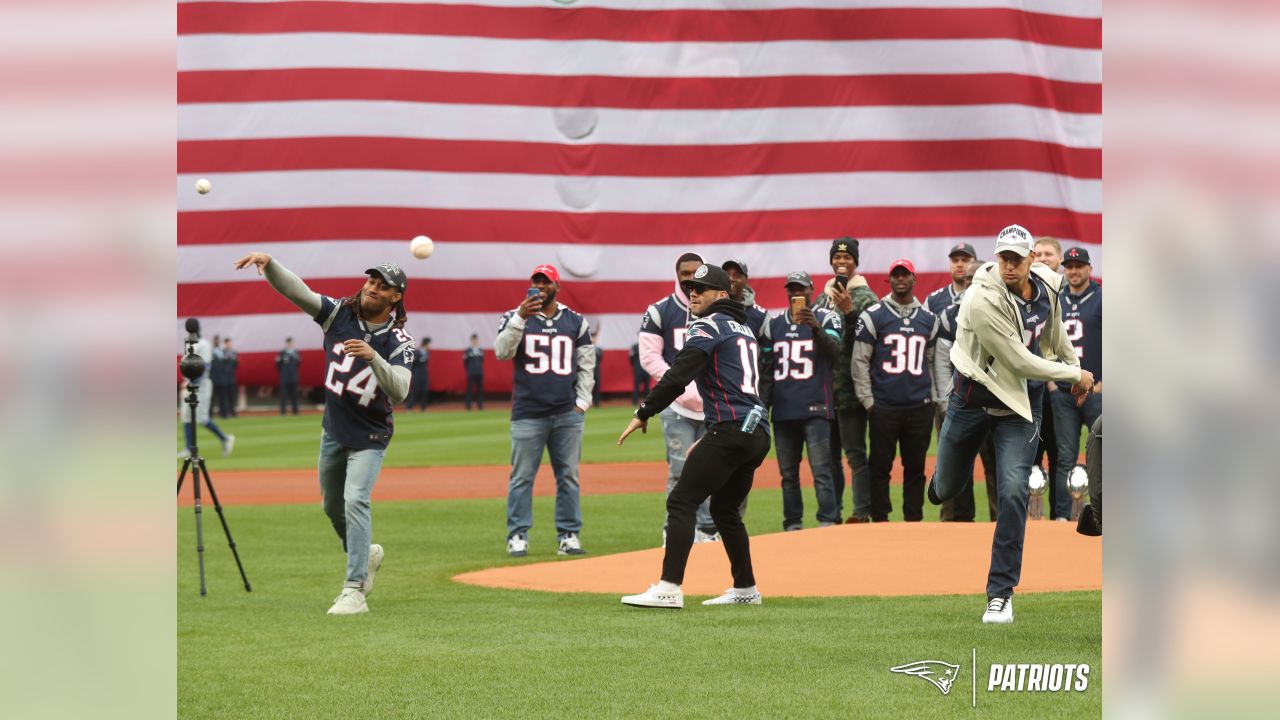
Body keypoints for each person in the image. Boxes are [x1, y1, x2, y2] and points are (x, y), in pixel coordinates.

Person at [928, 225, 1094, 624]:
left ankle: (999, 593)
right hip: (973, 398)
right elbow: (1019, 361)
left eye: (1016, 258)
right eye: (1002, 256)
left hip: (1019, 406)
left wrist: (1072, 365)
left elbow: (1054, 336)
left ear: (1031, 259)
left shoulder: (1049, 285)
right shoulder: (981, 299)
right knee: (946, 488)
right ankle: (942, 481)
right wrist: (1075, 376)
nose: (1008, 264)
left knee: (1014, 491)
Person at [234, 252, 415, 616]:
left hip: (371, 435)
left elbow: (400, 390)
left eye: (383, 287)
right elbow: (298, 291)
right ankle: (367, 555)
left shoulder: (399, 340)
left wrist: (372, 357)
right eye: (371, 282)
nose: (373, 289)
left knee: (355, 500)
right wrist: (269, 264)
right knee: (331, 506)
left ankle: (354, 591)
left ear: (396, 297)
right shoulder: (340, 313)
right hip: (333, 429)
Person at [618, 264, 770, 608]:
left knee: (681, 501)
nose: (693, 294)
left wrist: (644, 411)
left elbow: (678, 375)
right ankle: (746, 589)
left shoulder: (708, 324)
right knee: (726, 510)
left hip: (731, 428)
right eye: (689, 288)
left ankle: (669, 588)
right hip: (757, 431)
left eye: (701, 289)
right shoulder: (744, 328)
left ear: (722, 294)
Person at [494, 264, 595, 557]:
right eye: (535, 281)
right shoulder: (514, 316)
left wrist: (582, 402)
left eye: (545, 281)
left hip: (566, 412)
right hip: (528, 411)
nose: (540, 286)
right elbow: (502, 352)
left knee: (568, 475)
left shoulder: (575, 321)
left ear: (557, 286)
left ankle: (568, 534)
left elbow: (586, 365)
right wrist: (520, 318)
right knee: (522, 476)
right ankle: (517, 535)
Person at [638, 252, 720, 545]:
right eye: (684, 274)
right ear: (677, 274)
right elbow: (649, 357)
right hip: (677, 406)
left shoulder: (716, 309)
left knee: (711, 470)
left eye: (695, 274)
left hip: (713, 405)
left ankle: (708, 529)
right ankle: (674, 528)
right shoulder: (660, 310)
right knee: (679, 470)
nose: (689, 280)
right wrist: (680, 386)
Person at [852, 259, 941, 522]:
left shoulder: (928, 319)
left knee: (915, 468)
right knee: (879, 467)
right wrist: (868, 401)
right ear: (889, 280)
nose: (900, 279)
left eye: (905, 275)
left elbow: (934, 362)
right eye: (896, 275)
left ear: (914, 279)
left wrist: (935, 398)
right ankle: (880, 519)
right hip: (884, 406)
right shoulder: (874, 315)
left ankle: (913, 519)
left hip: (919, 405)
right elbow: (860, 360)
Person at [758, 271, 842, 530]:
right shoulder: (773, 324)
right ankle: (792, 524)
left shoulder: (827, 317)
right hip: (783, 411)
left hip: (816, 407)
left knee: (822, 471)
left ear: (811, 290)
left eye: (802, 288)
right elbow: (767, 371)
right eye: (792, 289)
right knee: (788, 476)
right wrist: (764, 406)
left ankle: (827, 520)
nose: (797, 294)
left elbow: (836, 353)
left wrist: (815, 327)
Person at [811, 237, 879, 523]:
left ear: (855, 261)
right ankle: (834, 513)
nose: (842, 262)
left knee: (855, 455)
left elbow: (871, 343)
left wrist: (850, 311)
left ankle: (861, 511)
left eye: (847, 258)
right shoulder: (821, 298)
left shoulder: (867, 298)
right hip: (826, 391)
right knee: (830, 458)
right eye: (837, 258)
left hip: (851, 389)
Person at [932, 260, 999, 521]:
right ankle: (955, 525)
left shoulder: (1004, 311)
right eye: (968, 279)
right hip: (960, 402)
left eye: (978, 278)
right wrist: (944, 402)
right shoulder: (950, 314)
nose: (971, 283)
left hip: (995, 402)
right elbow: (940, 360)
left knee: (996, 468)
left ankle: (1001, 520)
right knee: (955, 467)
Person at [1050, 247, 1102, 519]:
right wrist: (1050, 381)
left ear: (1090, 269)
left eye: (1078, 265)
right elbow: (1044, 341)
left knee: (1105, 453)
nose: (1073, 270)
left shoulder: (1103, 298)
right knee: (1065, 457)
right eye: (1068, 266)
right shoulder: (1055, 298)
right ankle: (1062, 515)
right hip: (1062, 392)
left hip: (1097, 391)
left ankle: (1105, 513)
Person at [1032, 236, 1064, 514]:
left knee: (1061, 456)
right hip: (1033, 387)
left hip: (1064, 391)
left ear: (1059, 259)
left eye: (1048, 254)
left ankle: (1060, 516)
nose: (1042, 259)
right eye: (1038, 254)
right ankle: (1032, 516)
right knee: (1029, 456)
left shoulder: (1069, 291)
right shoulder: (1026, 293)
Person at [178, 318, 235, 459]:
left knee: (202, 418)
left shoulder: (204, 344)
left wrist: (191, 382)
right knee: (186, 416)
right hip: (190, 385)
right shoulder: (190, 344)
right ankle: (188, 448)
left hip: (201, 386)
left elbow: (204, 367)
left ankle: (225, 439)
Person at [721, 259, 768, 338]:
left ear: (746, 280)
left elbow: (766, 348)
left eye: (737, 275)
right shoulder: (710, 309)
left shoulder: (760, 315)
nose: (731, 279)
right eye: (727, 275)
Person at [276, 337, 301, 415]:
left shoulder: (296, 353)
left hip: (293, 377)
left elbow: (298, 364)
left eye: (291, 343)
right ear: (286, 343)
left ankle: (295, 411)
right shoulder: (282, 353)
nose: (290, 344)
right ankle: (283, 411)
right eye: (289, 343)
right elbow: (278, 364)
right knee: (284, 394)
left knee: (294, 395)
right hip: (285, 377)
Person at [405, 338, 431, 411]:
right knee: (414, 390)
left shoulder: (428, 352)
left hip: (424, 374)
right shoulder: (417, 352)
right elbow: (413, 364)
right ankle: (409, 407)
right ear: (426, 344)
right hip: (417, 373)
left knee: (424, 391)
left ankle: (424, 407)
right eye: (429, 344)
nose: (430, 346)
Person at [217, 338, 239, 418]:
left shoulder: (234, 353)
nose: (230, 345)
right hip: (223, 378)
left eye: (230, 343)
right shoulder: (221, 353)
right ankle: (224, 412)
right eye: (228, 343)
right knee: (224, 396)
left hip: (231, 377)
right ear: (225, 344)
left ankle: (232, 411)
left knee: (232, 395)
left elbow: (236, 364)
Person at [463, 334, 485, 410]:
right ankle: (468, 405)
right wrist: (469, 369)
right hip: (471, 372)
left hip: (479, 372)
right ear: (471, 341)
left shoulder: (480, 350)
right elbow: (465, 362)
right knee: (469, 389)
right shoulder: (468, 351)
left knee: (480, 389)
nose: (475, 341)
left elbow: (482, 361)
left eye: (476, 340)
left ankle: (480, 405)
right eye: (473, 340)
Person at [591, 328, 604, 408]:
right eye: (592, 337)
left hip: (597, 371)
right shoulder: (586, 348)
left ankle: (597, 403)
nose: (594, 339)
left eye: (595, 338)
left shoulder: (599, 349)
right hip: (589, 371)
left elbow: (600, 359)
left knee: (597, 387)